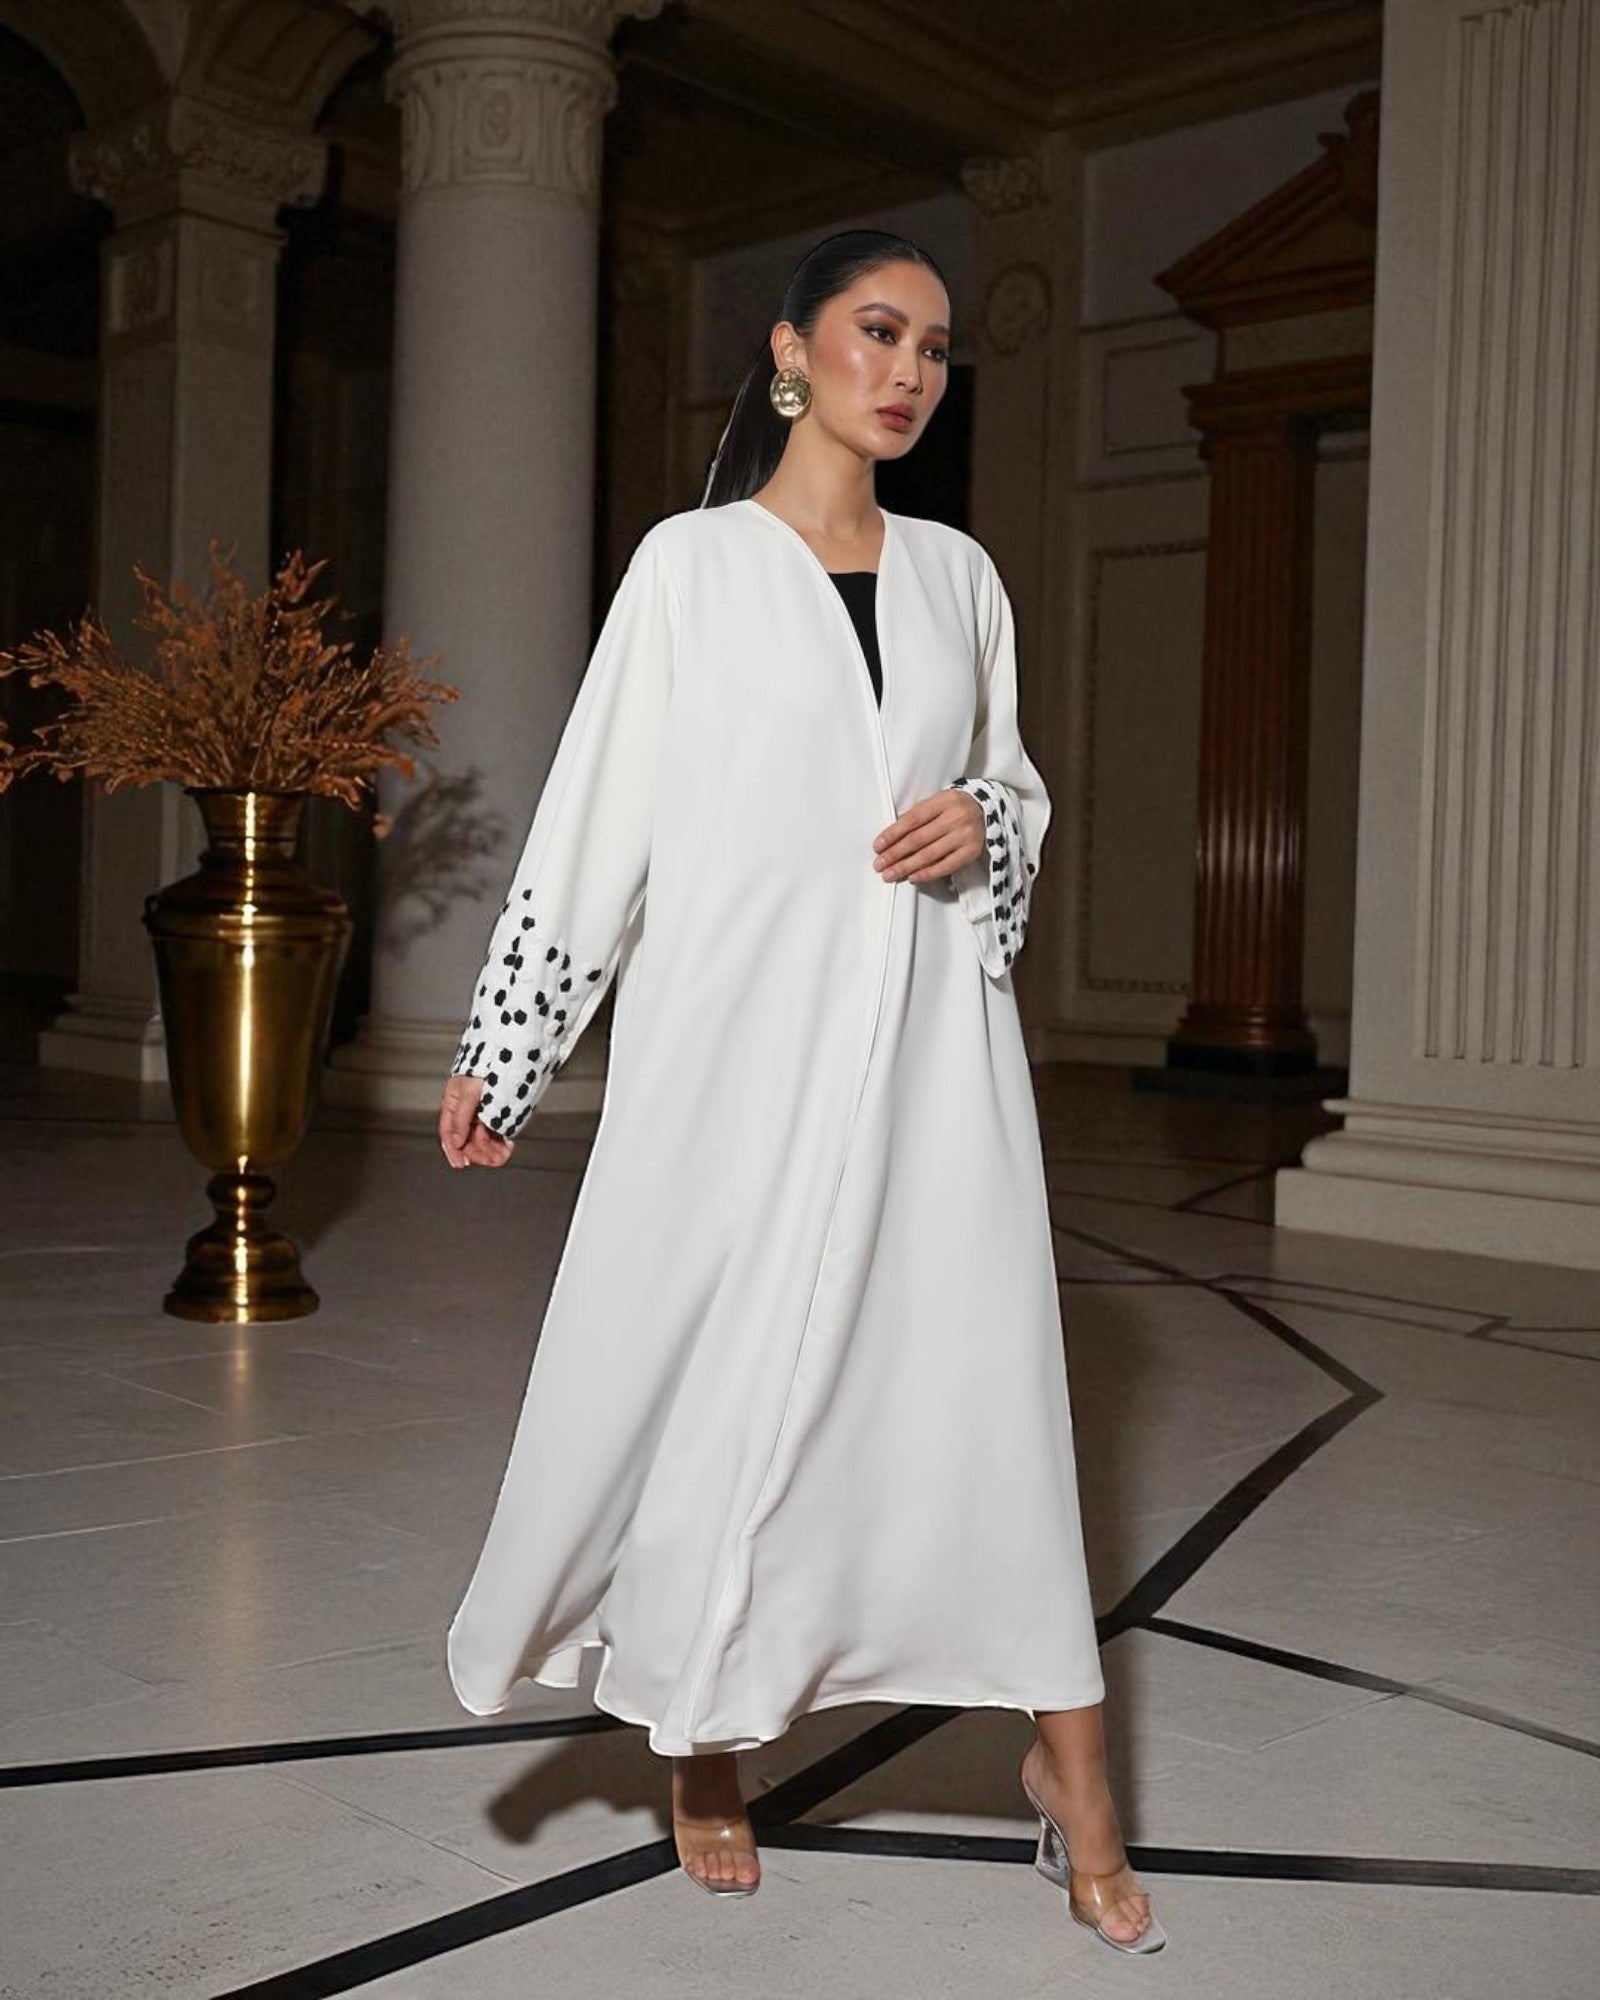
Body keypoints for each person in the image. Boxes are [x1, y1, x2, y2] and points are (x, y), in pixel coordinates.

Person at [436, 228, 1163, 1954]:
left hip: (935, 1071)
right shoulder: (689, 569)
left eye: (934, 347)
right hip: (733, 1058)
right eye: (876, 332)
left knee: (989, 1399)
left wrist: (985, 823)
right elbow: (598, 814)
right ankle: (701, 1744)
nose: (907, 371)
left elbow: (1015, 789)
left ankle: (1077, 1780)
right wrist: (511, 1042)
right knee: (716, 1393)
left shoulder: (961, 577)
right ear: (791, 351)